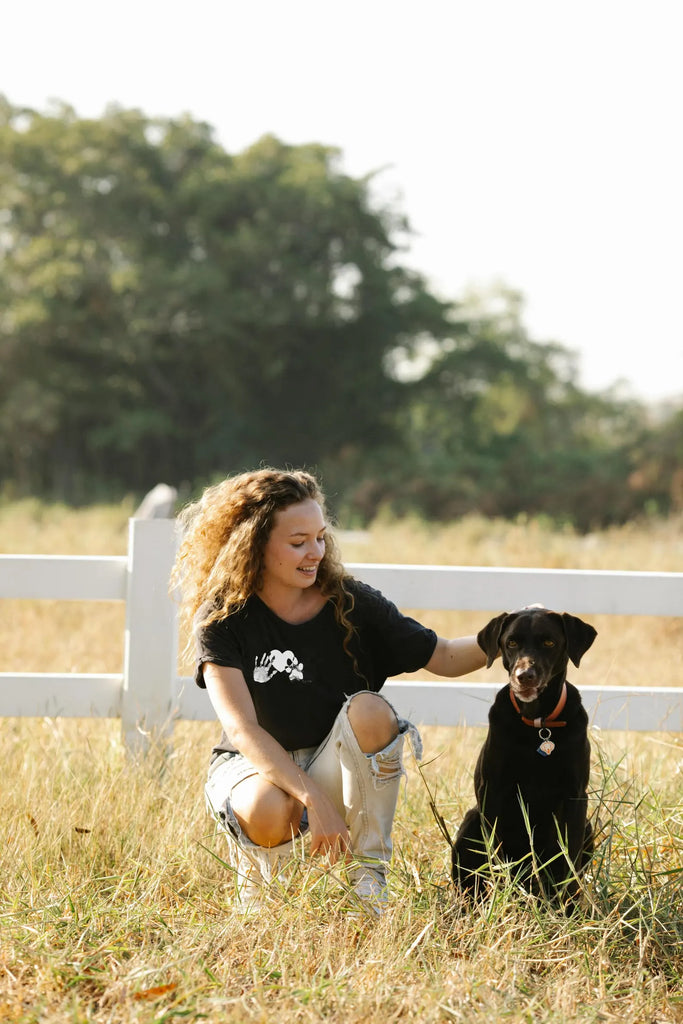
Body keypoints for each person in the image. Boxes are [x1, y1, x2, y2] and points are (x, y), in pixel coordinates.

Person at [172, 468, 489, 915]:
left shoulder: (351, 602)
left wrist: (515, 630)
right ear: (255, 544)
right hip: (254, 767)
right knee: (268, 806)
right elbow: (242, 731)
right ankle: (263, 888)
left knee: (371, 710)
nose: (315, 552)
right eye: (298, 541)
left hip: (335, 762)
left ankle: (368, 877)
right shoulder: (224, 616)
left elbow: (447, 657)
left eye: (320, 538)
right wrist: (311, 799)